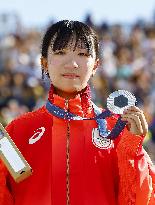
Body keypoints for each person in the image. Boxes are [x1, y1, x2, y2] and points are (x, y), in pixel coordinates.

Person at [0, 20, 155, 205]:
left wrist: (131, 148)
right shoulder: (17, 131)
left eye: (83, 54)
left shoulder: (119, 129)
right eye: (60, 52)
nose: (72, 63)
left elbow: (140, 200)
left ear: (96, 65)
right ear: (44, 63)